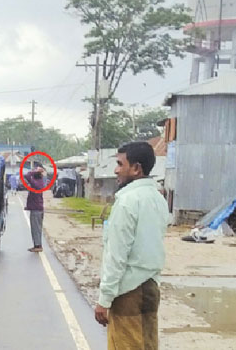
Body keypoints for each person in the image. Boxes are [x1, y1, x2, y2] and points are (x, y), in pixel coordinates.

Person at [94, 142, 169, 349]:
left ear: (136, 168)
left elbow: (117, 256)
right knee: (148, 344)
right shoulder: (158, 199)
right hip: (151, 287)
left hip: (128, 291)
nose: (116, 170)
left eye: (120, 164)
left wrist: (104, 299)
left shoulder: (127, 201)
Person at [24, 165, 47, 252]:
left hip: (36, 210)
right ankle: (38, 244)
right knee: (38, 228)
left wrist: (35, 171)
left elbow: (26, 175)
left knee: (35, 228)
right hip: (38, 208)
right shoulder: (40, 182)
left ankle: (37, 246)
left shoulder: (35, 183)